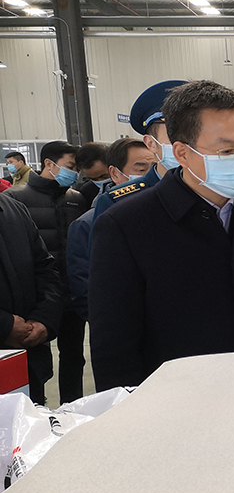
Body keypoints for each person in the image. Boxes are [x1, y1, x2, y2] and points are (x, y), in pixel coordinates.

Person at [89, 80, 234, 390]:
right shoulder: (127, 225)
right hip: (178, 399)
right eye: (226, 151)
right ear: (182, 153)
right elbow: (114, 347)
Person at [6, 140, 87, 403]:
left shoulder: (75, 199)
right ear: (49, 163)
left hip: (70, 295)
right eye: (70, 166)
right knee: (34, 362)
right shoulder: (16, 199)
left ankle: (72, 407)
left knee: (74, 356)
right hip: (35, 302)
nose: (74, 173)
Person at [65, 138, 157, 321]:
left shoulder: (166, 214)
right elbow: (86, 291)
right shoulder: (87, 224)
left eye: (155, 168)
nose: (150, 177)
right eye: (141, 170)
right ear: (115, 173)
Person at [91, 80, 187, 223]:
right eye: (174, 135)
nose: (188, 143)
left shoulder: (217, 194)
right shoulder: (119, 203)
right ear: (151, 143)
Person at [0, 191, 63, 405]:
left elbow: (45, 268)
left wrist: (44, 319)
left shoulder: (14, 210)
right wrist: (5, 326)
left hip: (26, 364)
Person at [72, 142, 111, 210]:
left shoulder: (128, 182)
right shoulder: (87, 192)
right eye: (94, 179)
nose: (100, 181)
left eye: (104, 176)